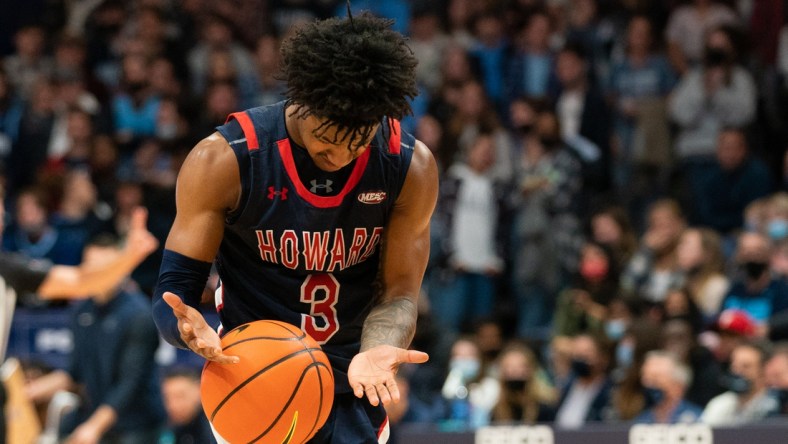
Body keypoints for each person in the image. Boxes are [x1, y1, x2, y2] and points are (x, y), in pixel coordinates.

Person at [151, 13, 438, 443]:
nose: (341, 156)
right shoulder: (226, 160)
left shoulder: (407, 166)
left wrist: (379, 347)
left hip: (353, 376)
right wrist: (183, 330)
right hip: (254, 376)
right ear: (301, 99)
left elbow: (399, 294)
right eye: (328, 137)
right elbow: (176, 288)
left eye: (357, 141)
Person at [24, 234, 166, 443]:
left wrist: (93, 427)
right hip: (98, 415)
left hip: (137, 423)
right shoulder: (80, 311)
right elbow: (75, 372)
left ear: (120, 268)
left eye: (106, 266)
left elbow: (130, 382)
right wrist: (32, 391)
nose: (100, 273)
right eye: (93, 265)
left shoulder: (139, 315)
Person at [701, 341, 779, 425]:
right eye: (734, 366)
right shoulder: (719, 404)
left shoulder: (776, 405)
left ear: (763, 371)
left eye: (746, 367)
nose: (737, 372)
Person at [635, 350, 703, 424]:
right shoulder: (640, 420)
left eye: (655, 378)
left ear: (678, 386)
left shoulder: (696, 419)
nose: (647, 384)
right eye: (645, 378)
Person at [159, 367, 214, 444]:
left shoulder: (214, 430)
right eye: (168, 398)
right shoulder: (165, 428)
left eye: (180, 396)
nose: (173, 405)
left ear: (198, 391)